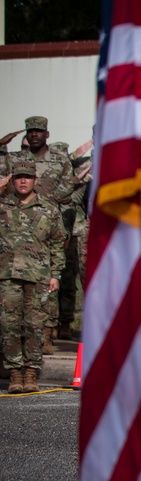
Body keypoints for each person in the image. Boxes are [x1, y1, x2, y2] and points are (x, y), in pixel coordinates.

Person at [0, 116, 76, 356]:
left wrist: (50, 203)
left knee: (47, 283)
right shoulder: (15, 159)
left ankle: (46, 333)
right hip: (16, 222)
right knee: (14, 295)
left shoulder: (59, 160)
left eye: (39, 131)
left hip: (48, 221)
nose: (34, 135)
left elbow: (69, 188)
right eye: (31, 131)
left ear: (47, 134)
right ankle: (17, 347)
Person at [0, 162, 65, 393]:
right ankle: (15, 372)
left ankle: (31, 372)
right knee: (8, 325)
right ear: (12, 180)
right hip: (7, 275)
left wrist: (56, 274)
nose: (23, 181)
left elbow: (58, 243)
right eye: (18, 177)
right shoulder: (3, 205)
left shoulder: (48, 208)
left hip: (39, 276)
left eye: (27, 177)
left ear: (35, 180)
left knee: (35, 325)